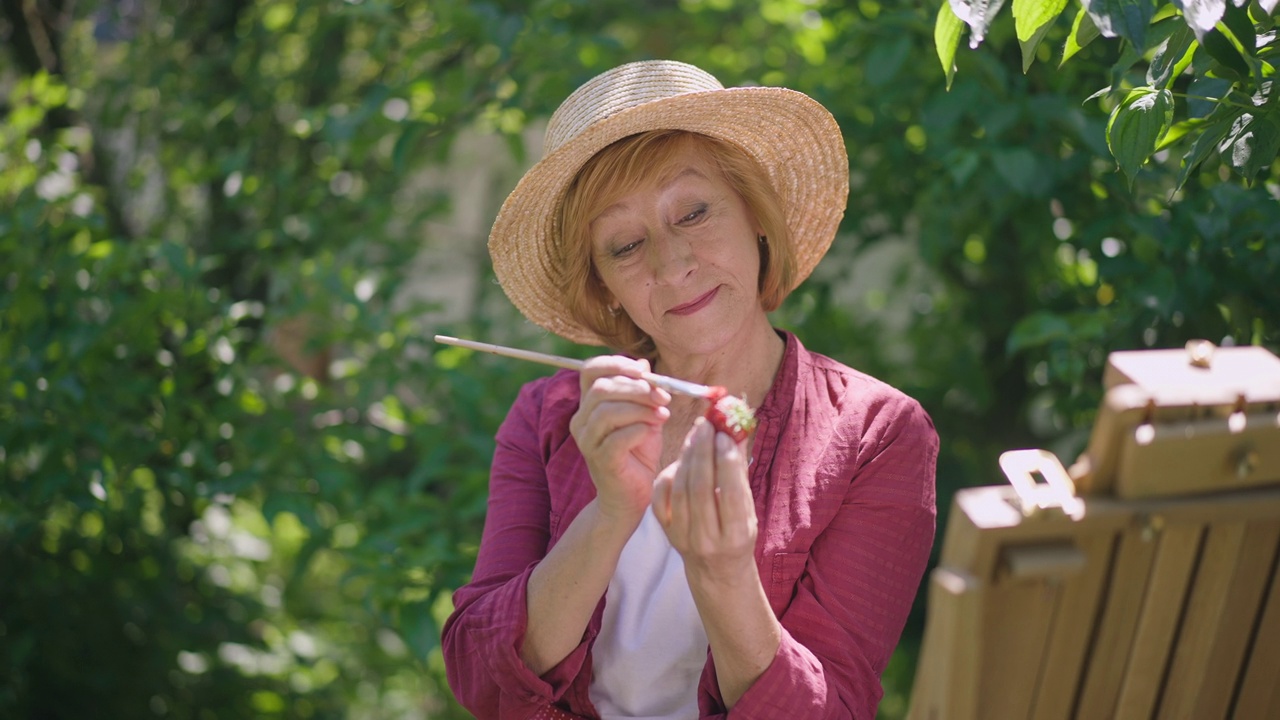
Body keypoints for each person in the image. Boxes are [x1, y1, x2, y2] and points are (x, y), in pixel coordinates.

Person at [441, 59, 937, 720]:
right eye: (624, 246)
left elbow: (833, 709)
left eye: (694, 212)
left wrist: (723, 572)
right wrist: (612, 511)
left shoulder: (876, 434)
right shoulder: (551, 415)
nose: (672, 263)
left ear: (756, 215)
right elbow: (482, 679)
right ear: (605, 290)